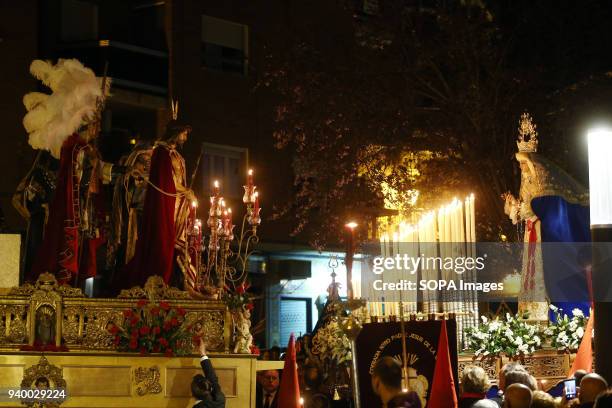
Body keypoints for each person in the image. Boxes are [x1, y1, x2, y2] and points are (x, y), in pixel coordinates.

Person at [118, 119, 196, 292]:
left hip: (177, 206)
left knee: (176, 248)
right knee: (162, 246)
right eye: (183, 133)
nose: (185, 137)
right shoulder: (161, 153)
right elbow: (166, 182)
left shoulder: (175, 155)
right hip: (166, 207)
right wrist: (186, 191)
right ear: (175, 133)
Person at [191, 339, 225, 408]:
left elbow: (213, 382)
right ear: (210, 388)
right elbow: (213, 380)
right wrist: (203, 354)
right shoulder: (220, 400)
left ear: (193, 394)